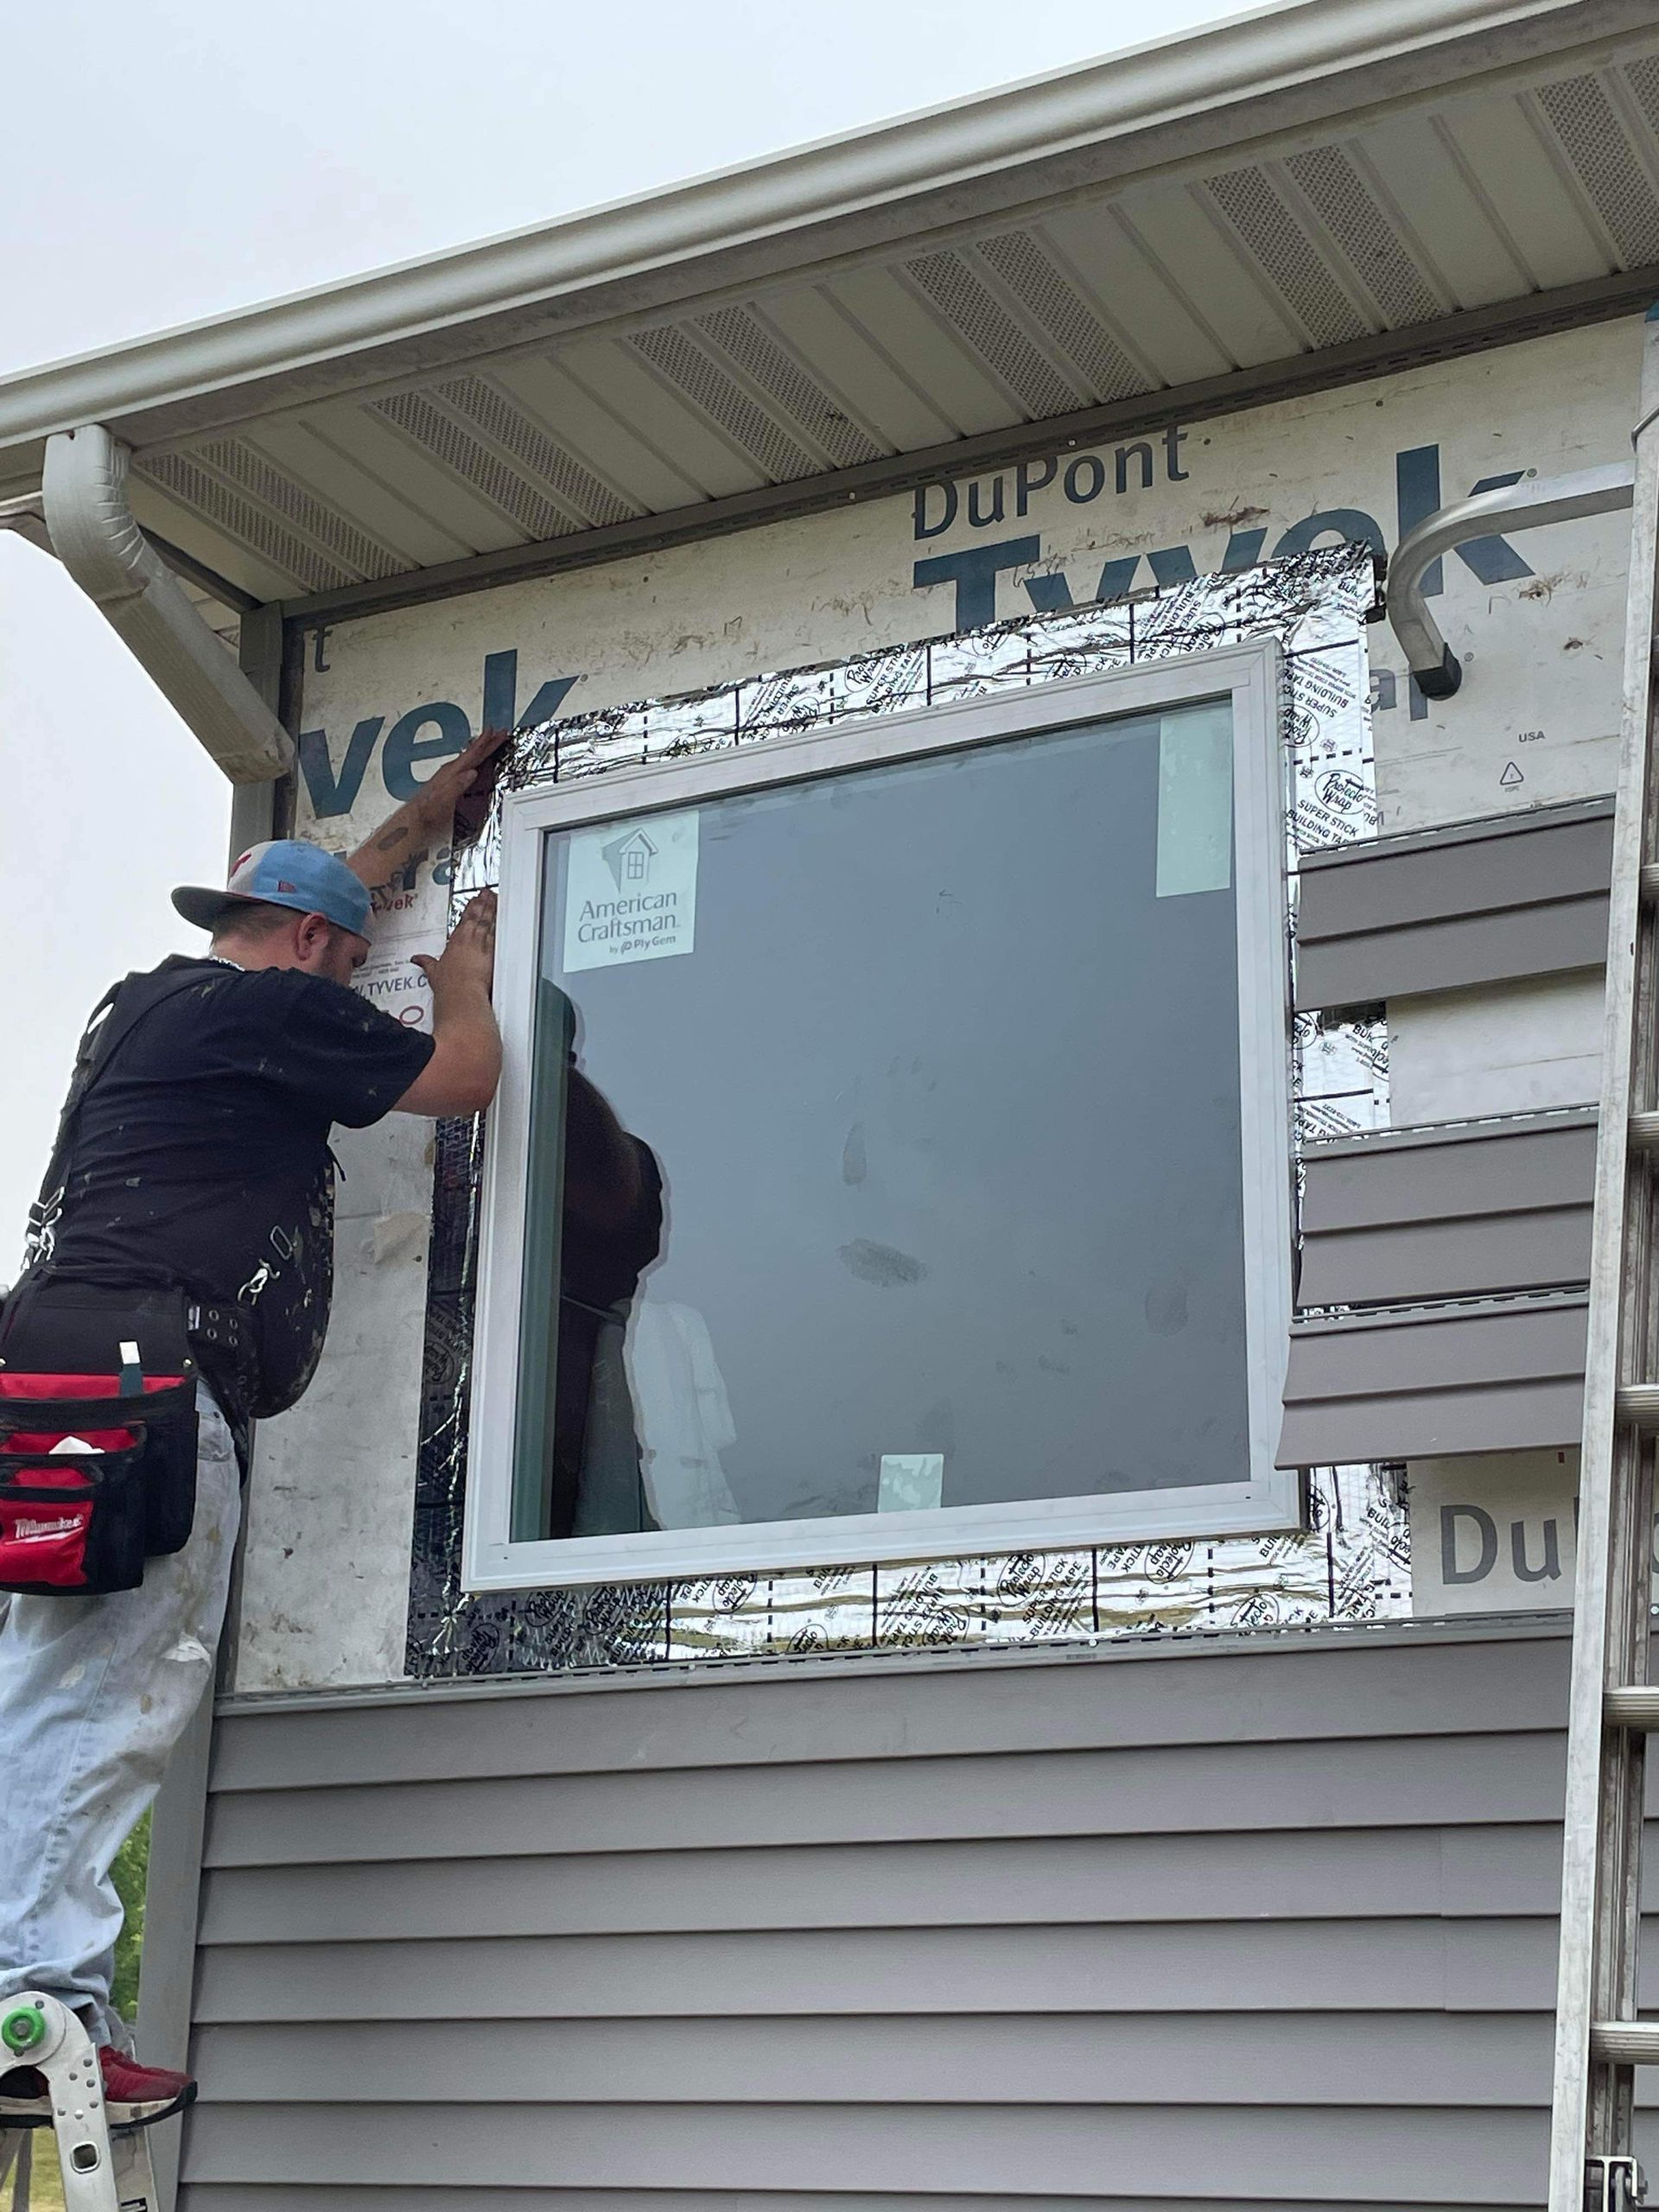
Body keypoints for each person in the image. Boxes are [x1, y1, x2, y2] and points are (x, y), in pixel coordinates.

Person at [0, 732, 506, 2133]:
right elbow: (464, 1075)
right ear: (300, 945)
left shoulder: (147, 1006)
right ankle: (30, 1999)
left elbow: (317, 900)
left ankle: (27, 1984)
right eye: (350, 965)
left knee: (46, 1674)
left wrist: (410, 827)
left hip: (60, 1364)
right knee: (114, 1682)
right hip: (151, 1378)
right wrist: (462, 964)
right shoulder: (280, 1007)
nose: (355, 989)